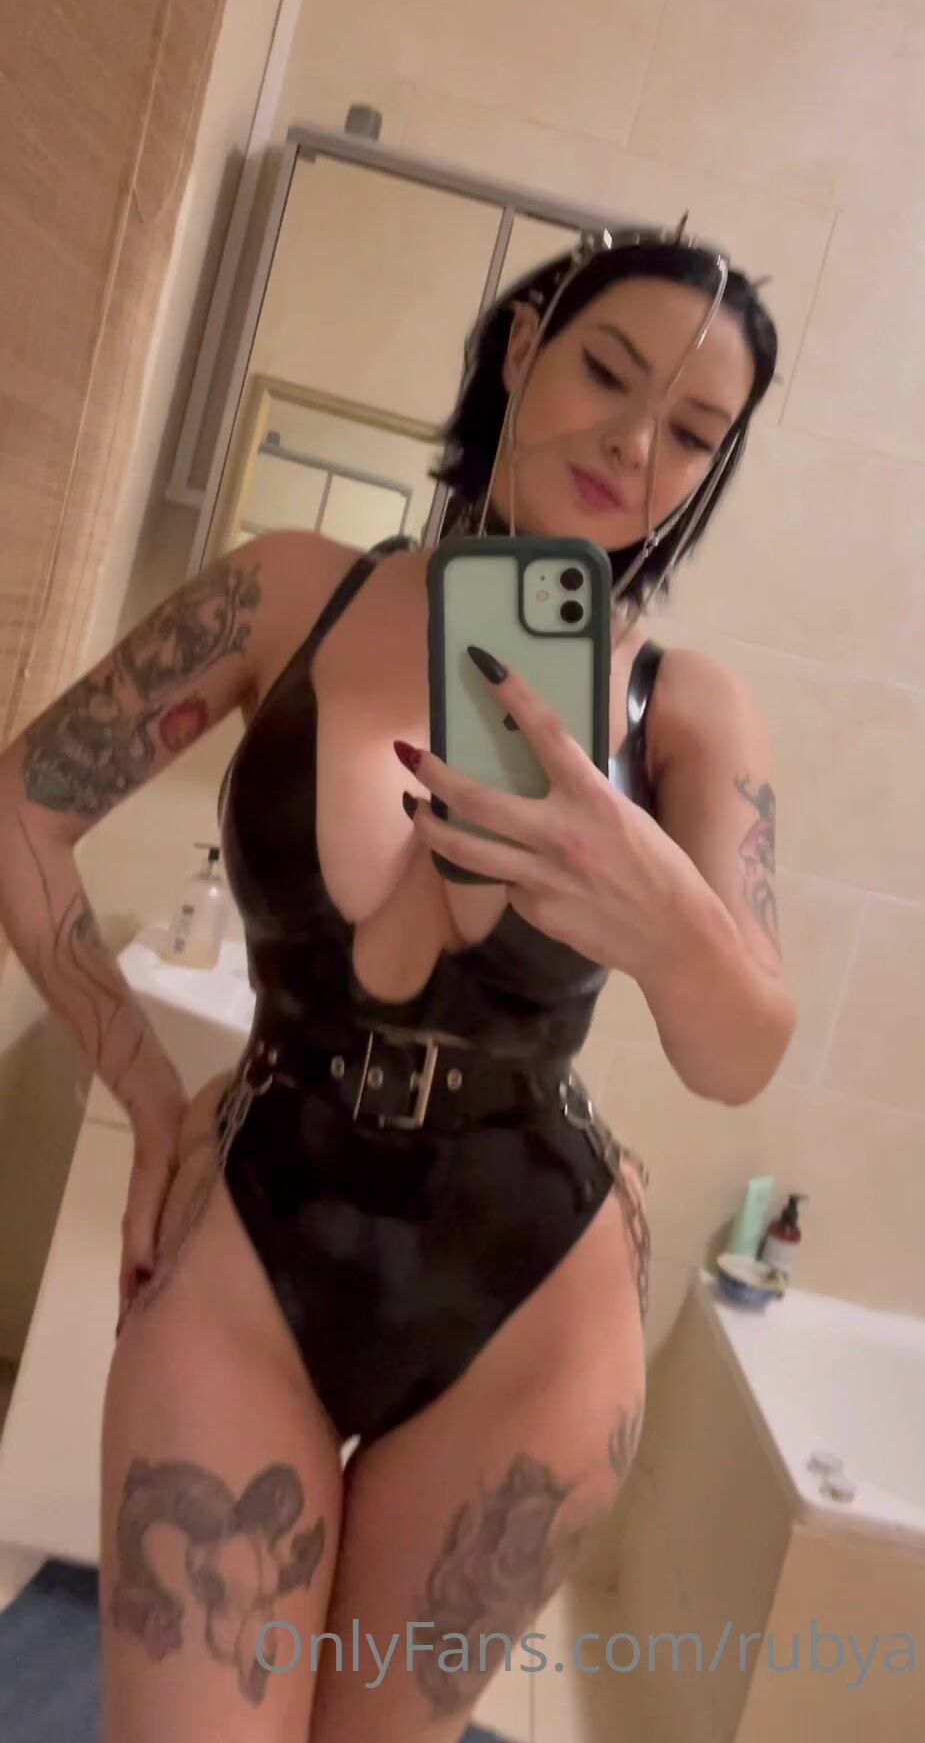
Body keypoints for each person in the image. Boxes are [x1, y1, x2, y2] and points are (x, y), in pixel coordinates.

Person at [0, 224, 795, 1742]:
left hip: (532, 1304)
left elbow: (743, 1048)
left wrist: (655, 903)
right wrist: (149, 1094)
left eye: (695, 432)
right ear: (524, 347)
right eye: (607, 373)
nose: (634, 446)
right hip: (255, 1240)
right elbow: (21, 812)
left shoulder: (685, 712)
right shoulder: (290, 594)